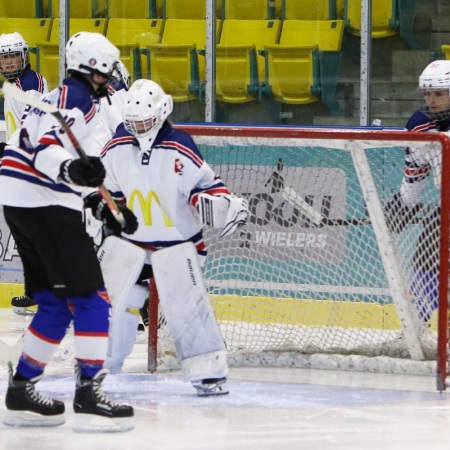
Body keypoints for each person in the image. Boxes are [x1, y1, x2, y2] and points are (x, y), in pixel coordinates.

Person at [0, 32, 138, 432]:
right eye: (107, 68)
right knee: (93, 300)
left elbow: (64, 159)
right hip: (42, 203)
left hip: (20, 200)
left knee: (55, 304)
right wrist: (69, 171)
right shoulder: (74, 98)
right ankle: (89, 392)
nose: (111, 75)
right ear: (93, 66)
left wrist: (97, 200)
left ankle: (22, 388)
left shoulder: (69, 98)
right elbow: (46, 150)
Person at [99, 79, 248, 396]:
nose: (139, 128)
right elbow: (107, 191)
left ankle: (208, 372)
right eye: (133, 122)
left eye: (145, 121)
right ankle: (100, 363)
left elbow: (205, 185)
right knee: (115, 302)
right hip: (133, 242)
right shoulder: (116, 147)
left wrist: (219, 205)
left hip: (176, 242)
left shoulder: (179, 145)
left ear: (162, 111)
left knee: (184, 305)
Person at [384, 60, 450, 328]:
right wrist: (403, 204)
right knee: (425, 256)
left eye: (439, 94)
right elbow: (417, 171)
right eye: (427, 93)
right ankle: (415, 330)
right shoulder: (421, 125)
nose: (431, 100)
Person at [0, 31, 49, 315]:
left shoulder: (29, 86)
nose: (8, 63)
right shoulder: (16, 85)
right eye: (4, 58)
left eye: (12, 56)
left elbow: (33, 133)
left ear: (25, 56)